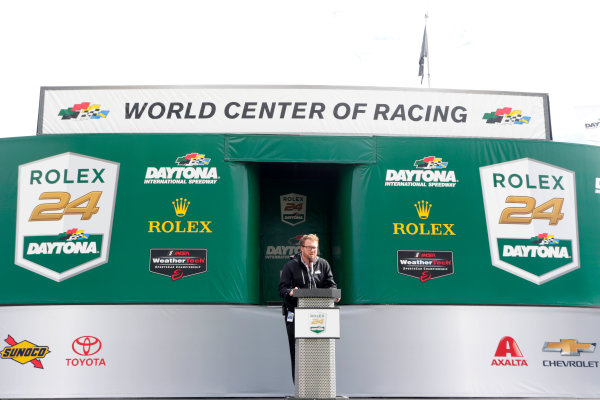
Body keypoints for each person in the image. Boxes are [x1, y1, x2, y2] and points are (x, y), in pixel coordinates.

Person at [278, 234, 339, 380]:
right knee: (298, 352)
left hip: (319, 316)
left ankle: (320, 385)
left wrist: (335, 293)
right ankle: (299, 386)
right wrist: (291, 292)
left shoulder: (323, 264)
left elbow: (331, 285)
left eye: (315, 248)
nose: (313, 251)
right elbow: (282, 289)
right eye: (310, 247)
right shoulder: (290, 266)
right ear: (301, 248)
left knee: (319, 352)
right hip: (296, 315)